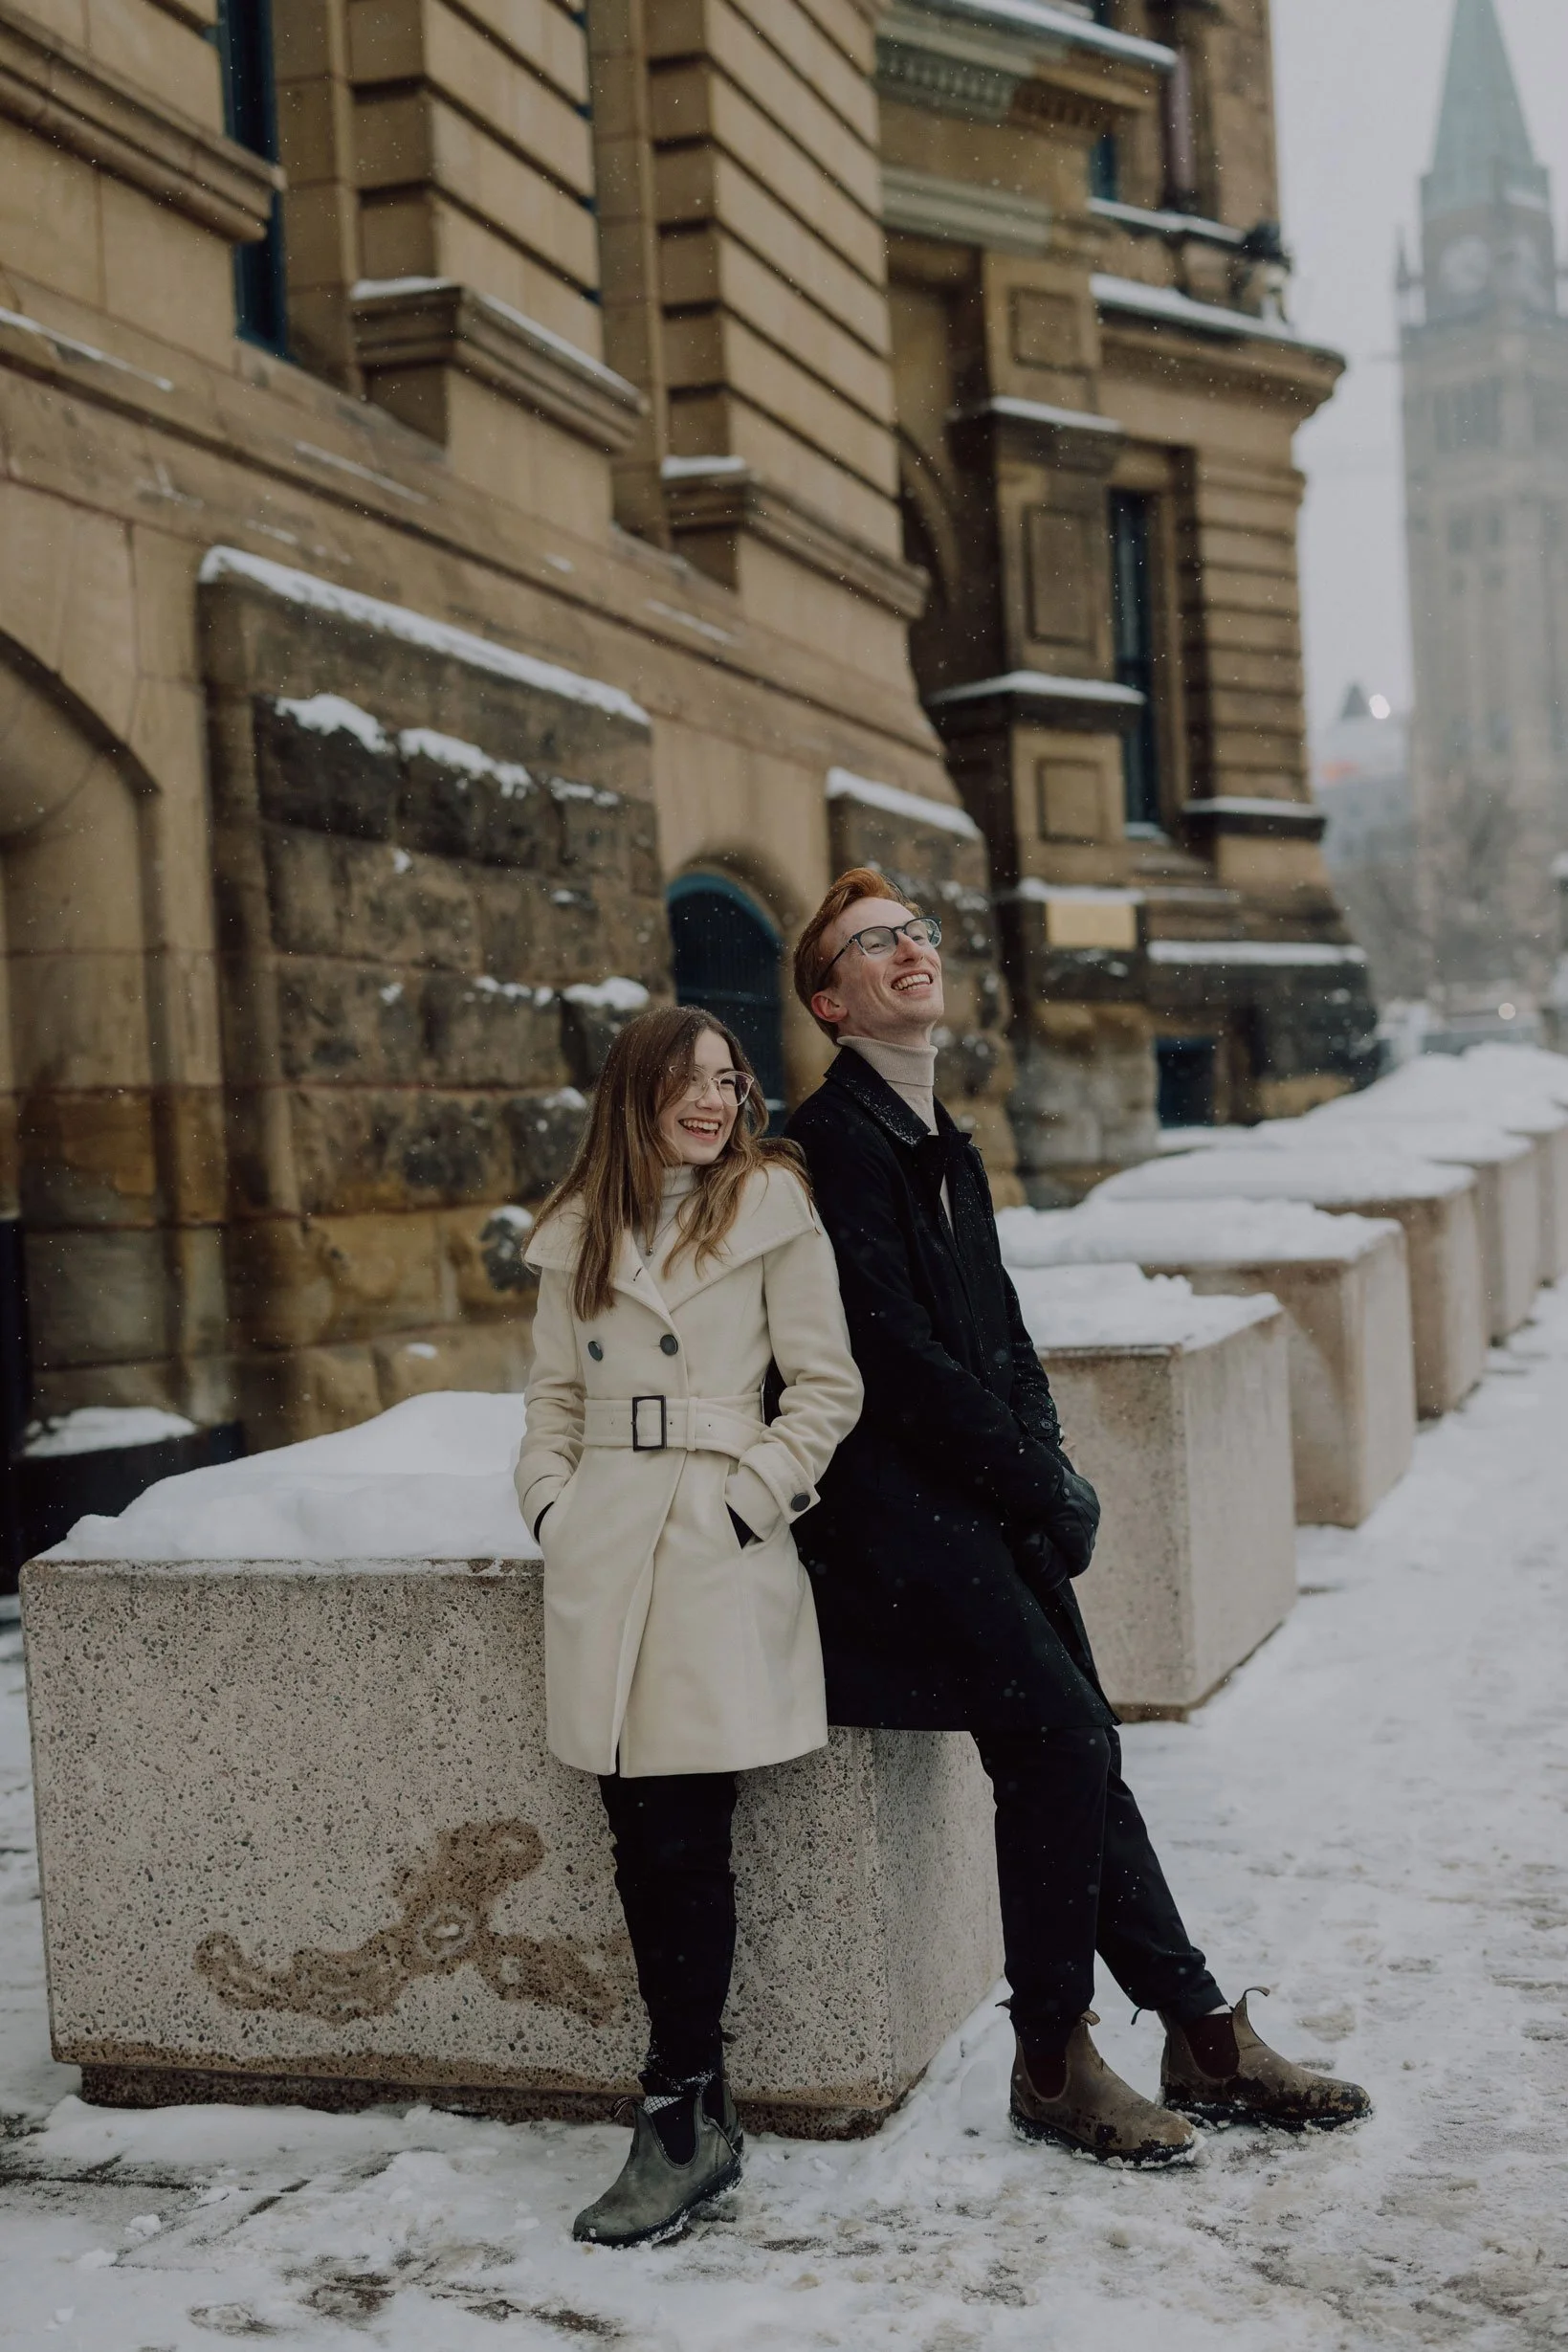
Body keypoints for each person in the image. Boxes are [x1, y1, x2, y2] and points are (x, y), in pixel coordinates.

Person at [785, 868, 1371, 2163]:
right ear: (830, 1001)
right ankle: (1053, 2053)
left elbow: (997, 1333)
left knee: (1080, 1736)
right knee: (1059, 1737)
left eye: (917, 934)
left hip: (970, 1506)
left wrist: (1045, 1457)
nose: (909, 953)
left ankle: (1196, 2026)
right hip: (880, 1524)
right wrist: (1030, 1482)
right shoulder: (823, 1145)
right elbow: (889, 1360)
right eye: (871, 945)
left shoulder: (945, 1140)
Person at [517, 1003, 863, 2246]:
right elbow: (552, 1394)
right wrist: (552, 1506)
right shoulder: (578, 1231)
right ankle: (693, 2106)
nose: (713, 1101)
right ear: (637, 1092)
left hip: (711, 1547)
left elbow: (826, 1384)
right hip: (604, 1547)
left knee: (683, 1838)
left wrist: (747, 1500)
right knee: (632, 1835)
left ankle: (678, 2110)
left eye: (727, 1079)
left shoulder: (769, 1205)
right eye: (689, 1082)